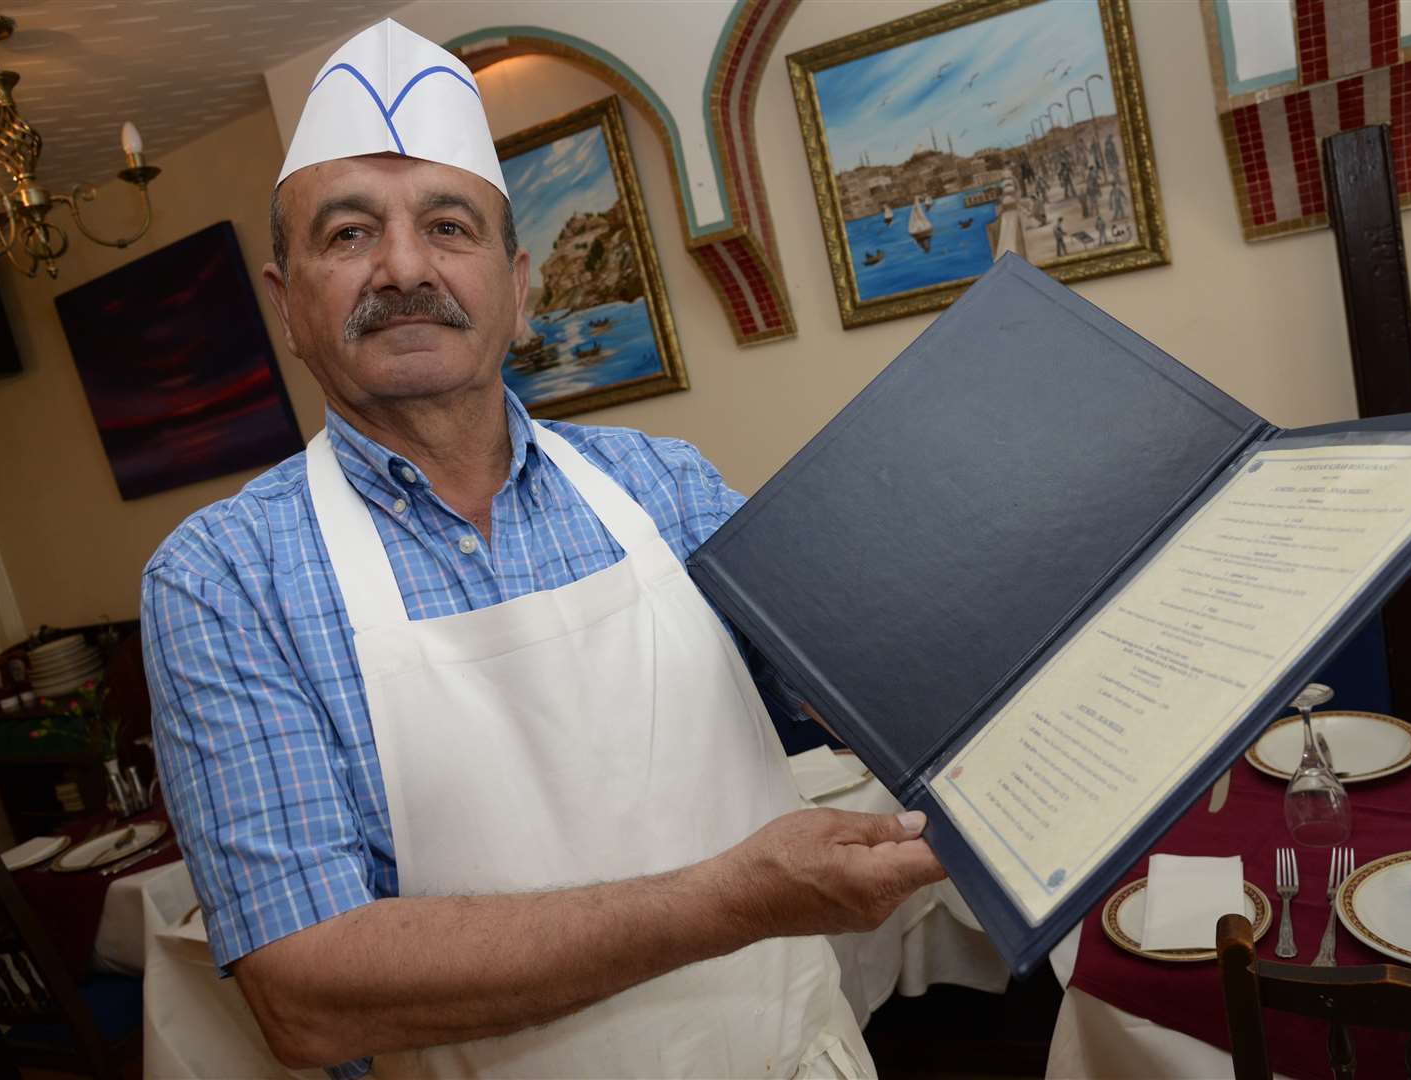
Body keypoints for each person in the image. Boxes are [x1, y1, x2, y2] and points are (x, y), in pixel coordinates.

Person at [141, 19, 944, 1080]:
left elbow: (873, 689)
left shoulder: (667, 486)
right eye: (345, 235)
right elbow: (309, 996)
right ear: (287, 304)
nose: (403, 266)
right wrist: (734, 900)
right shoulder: (220, 581)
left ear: (518, 289)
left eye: (448, 225)